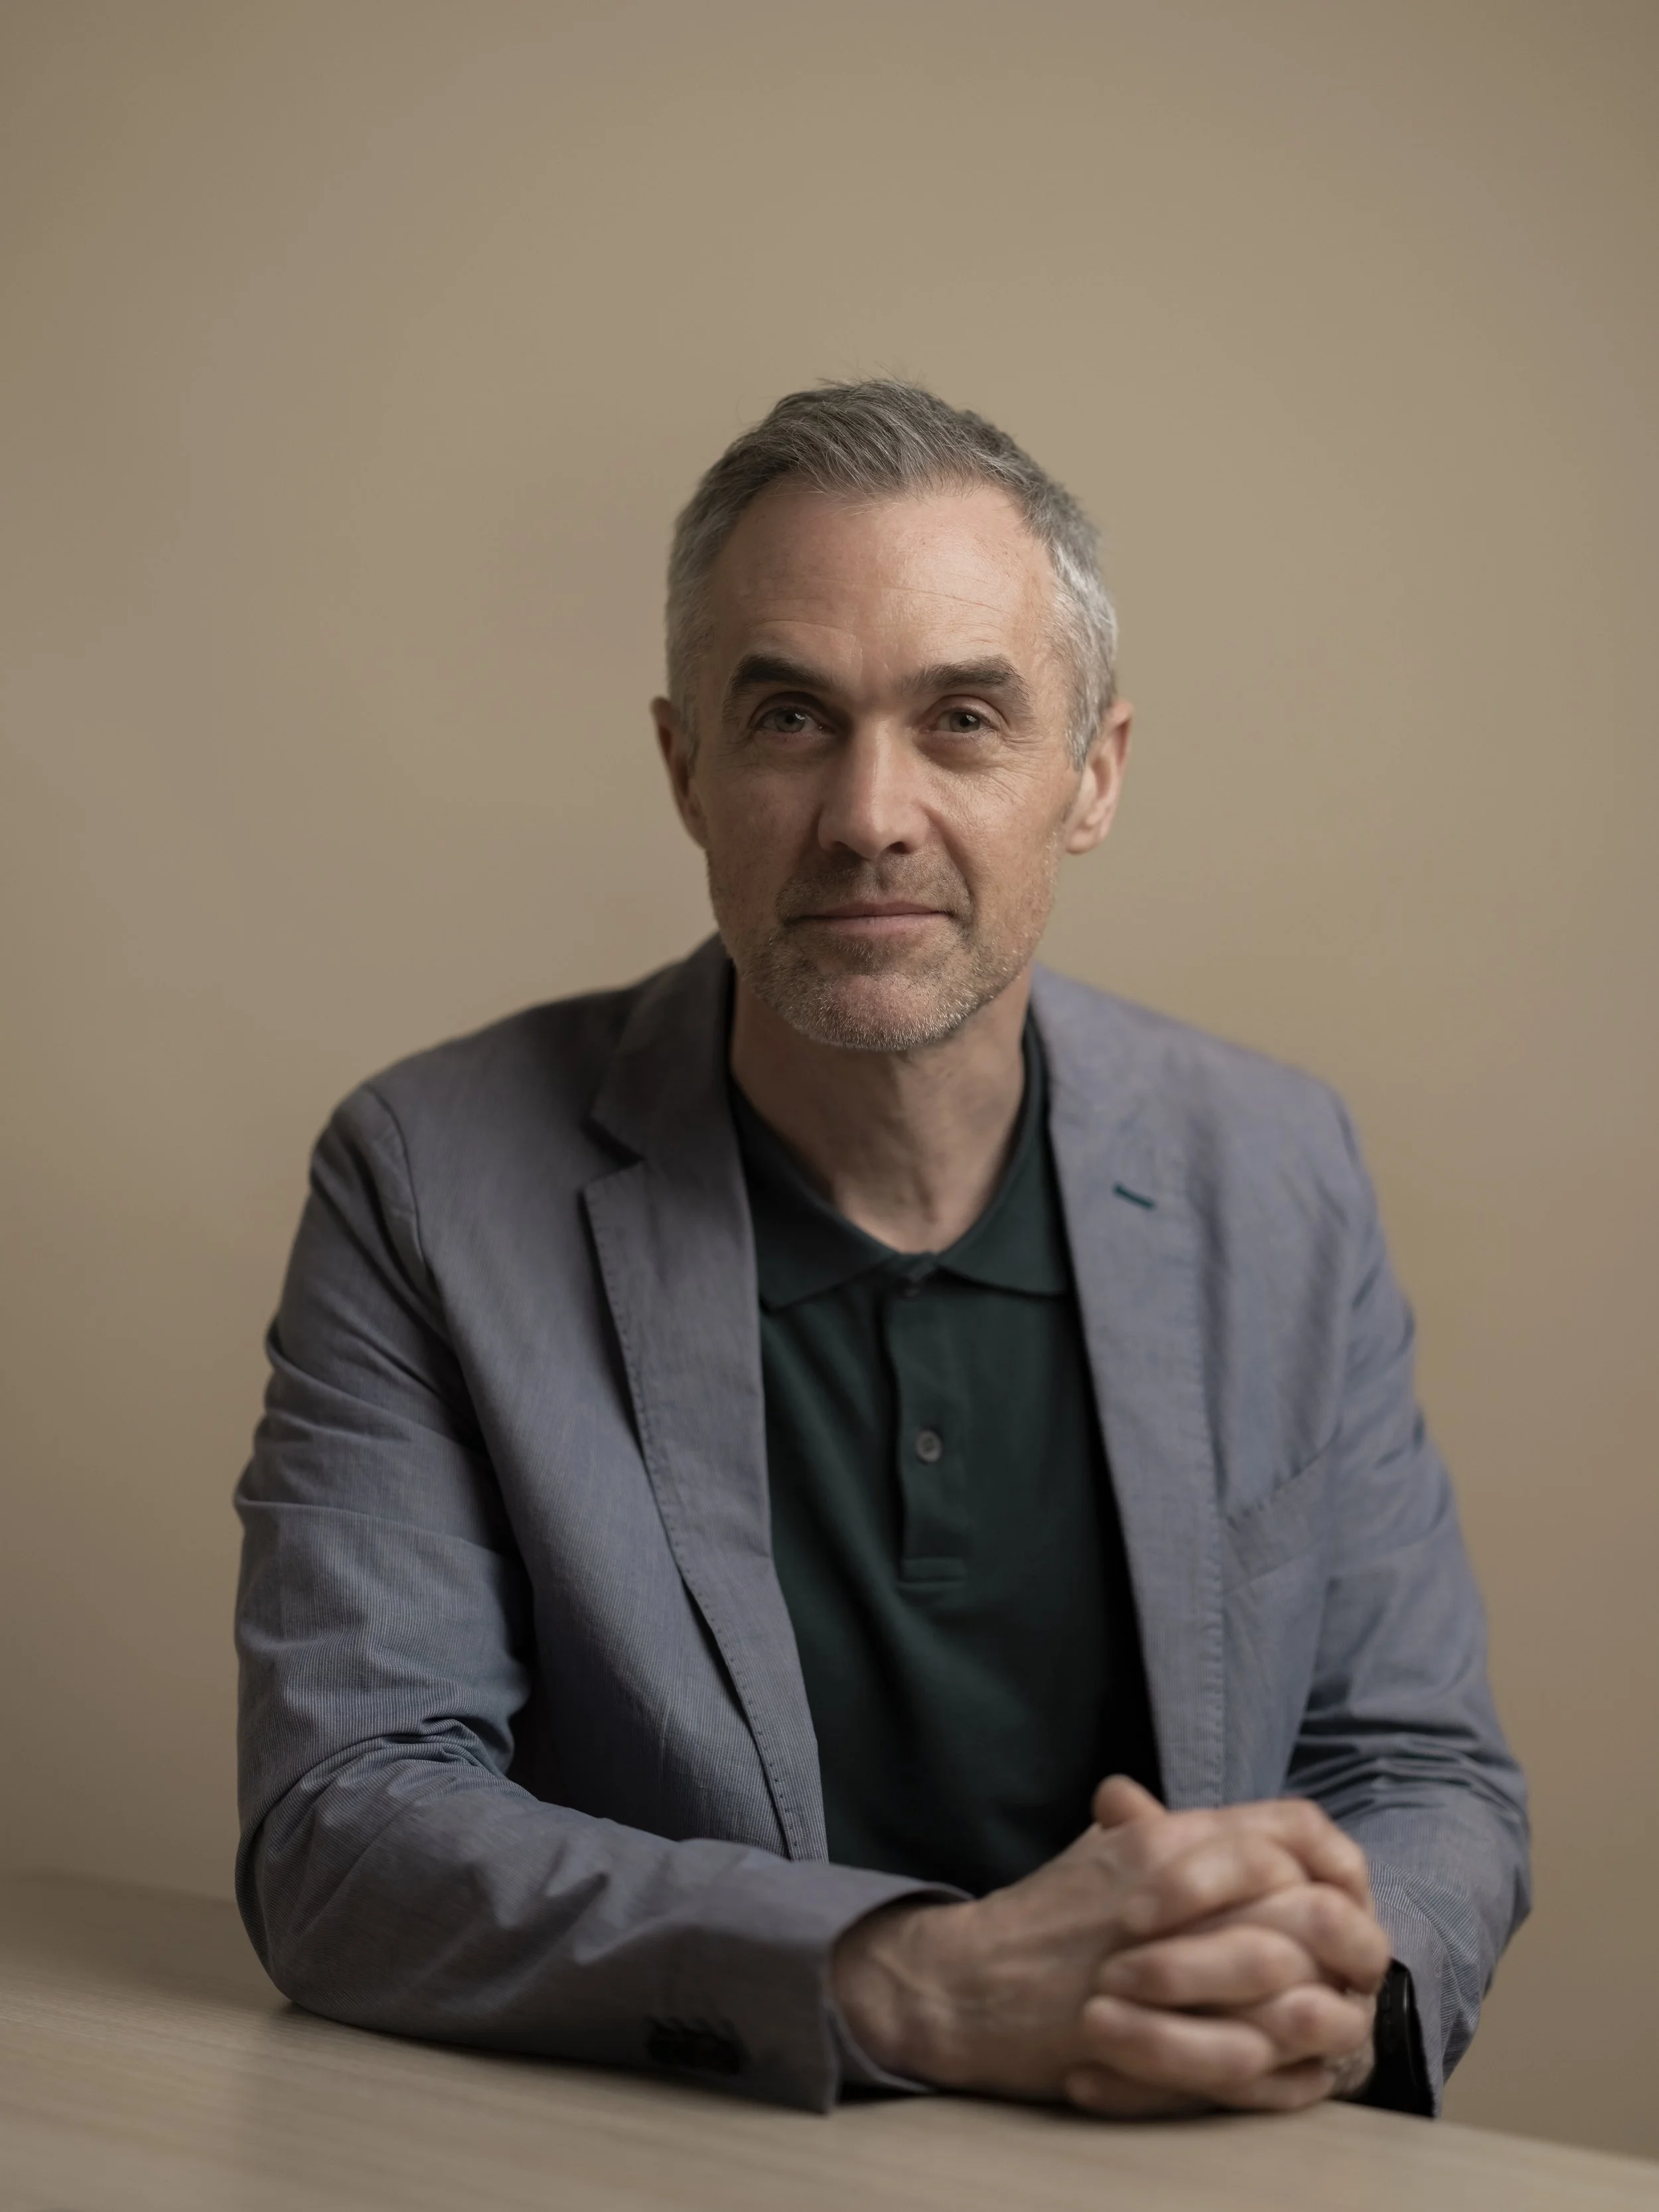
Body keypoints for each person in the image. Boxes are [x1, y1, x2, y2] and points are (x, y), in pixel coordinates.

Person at [234, 381, 1528, 2119]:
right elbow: (346, 1821)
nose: (867, 813)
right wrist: (909, 1983)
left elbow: (1420, 1770)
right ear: (685, 769)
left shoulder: (1278, 1170)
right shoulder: (429, 1178)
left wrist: (1305, 1971)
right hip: (677, 2161)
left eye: (963, 719)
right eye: (788, 716)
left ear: (1094, 774)